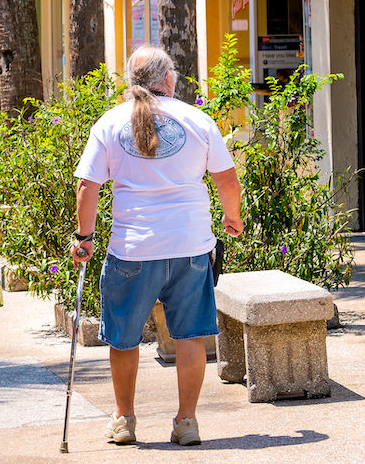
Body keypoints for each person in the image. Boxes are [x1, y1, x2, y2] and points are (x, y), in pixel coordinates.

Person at [70, 46, 243, 448]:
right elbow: (227, 180)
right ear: (168, 80)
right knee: (189, 337)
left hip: (133, 248)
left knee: (124, 338)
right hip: (190, 246)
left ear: (133, 81)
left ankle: (124, 420)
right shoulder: (197, 119)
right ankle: (187, 422)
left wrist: (85, 237)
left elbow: (87, 186)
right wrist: (231, 218)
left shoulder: (111, 122)